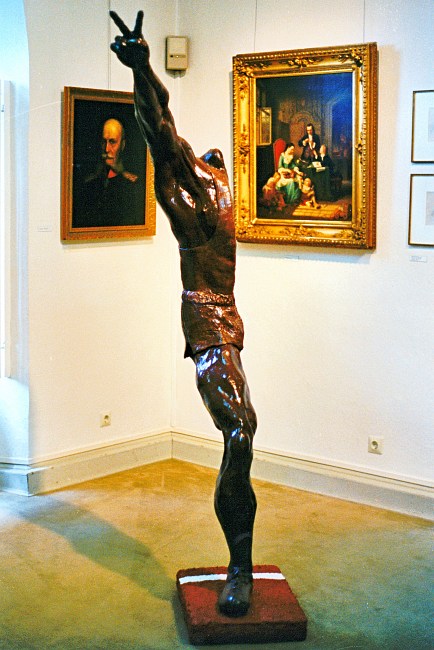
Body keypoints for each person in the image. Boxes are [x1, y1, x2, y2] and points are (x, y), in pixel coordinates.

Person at [110, 10, 257, 618]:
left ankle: (242, 564)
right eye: (207, 162)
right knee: (239, 433)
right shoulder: (191, 192)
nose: (214, 161)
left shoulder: (219, 195)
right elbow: (161, 127)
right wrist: (143, 66)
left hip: (228, 319)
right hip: (205, 321)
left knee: (243, 432)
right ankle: (240, 567)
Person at [73, 117, 144, 228]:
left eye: (112, 142)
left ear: (122, 145)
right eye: (103, 142)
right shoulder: (88, 183)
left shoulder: (134, 185)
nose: (106, 149)